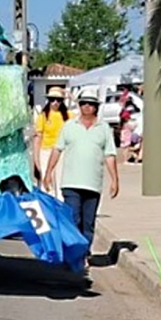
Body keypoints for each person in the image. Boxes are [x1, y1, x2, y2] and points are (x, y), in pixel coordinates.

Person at [44, 88, 119, 264]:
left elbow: (110, 155)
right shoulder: (69, 126)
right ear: (79, 105)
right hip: (71, 182)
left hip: (93, 183)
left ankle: (84, 253)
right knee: (73, 219)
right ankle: (74, 254)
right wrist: (48, 173)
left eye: (90, 104)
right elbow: (57, 150)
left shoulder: (104, 128)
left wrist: (115, 180)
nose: (86, 106)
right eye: (83, 103)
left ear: (96, 107)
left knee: (88, 222)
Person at [32, 86, 68, 200]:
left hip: (62, 152)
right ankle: (47, 206)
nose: (55, 103)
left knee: (61, 182)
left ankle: (60, 205)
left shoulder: (68, 115)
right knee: (46, 183)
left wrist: (72, 98)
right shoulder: (43, 116)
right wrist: (36, 161)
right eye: (52, 99)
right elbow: (37, 138)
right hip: (46, 151)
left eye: (59, 100)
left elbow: (83, 115)